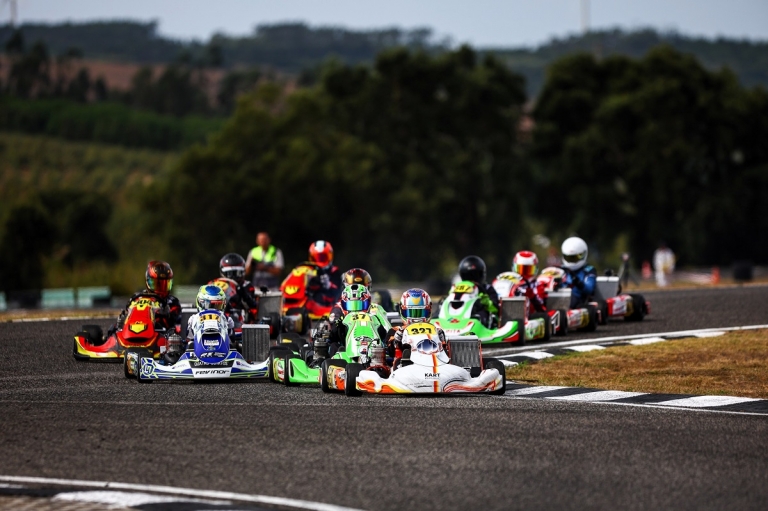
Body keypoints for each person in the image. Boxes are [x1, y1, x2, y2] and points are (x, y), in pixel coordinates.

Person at [108, 261, 182, 338]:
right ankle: (111, 338)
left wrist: (164, 314)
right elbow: (128, 310)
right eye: (157, 284)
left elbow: (173, 323)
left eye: (165, 284)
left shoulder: (172, 302)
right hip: (134, 328)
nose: (161, 288)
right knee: (113, 327)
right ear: (148, 281)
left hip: (160, 336)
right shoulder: (137, 298)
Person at [386, 289, 447, 369]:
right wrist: (396, 340)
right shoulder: (395, 331)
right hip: (405, 367)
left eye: (421, 313)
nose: (416, 318)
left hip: (434, 364)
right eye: (411, 313)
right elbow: (390, 352)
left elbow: (444, 351)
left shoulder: (435, 330)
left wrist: (441, 339)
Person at [212, 253, 260, 323]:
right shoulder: (214, 283)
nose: (233, 277)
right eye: (229, 273)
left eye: (236, 273)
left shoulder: (246, 285)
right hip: (215, 313)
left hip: (236, 316)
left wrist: (241, 293)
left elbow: (252, 305)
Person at [458, 255, 499, 328]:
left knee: (481, 314)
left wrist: (485, 302)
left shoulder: (487, 288)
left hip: (478, 314)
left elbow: (495, 308)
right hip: (460, 312)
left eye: (475, 275)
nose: (472, 280)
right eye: (468, 276)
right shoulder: (457, 287)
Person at [559, 237, 597, 308]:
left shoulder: (588, 270)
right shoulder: (561, 270)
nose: (572, 261)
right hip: (558, 297)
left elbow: (589, 289)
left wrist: (578, 282)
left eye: (575, 258)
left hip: (577, 300)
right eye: (569, 258)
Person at [306, 240, 343, 307]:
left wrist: (329, 285)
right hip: (308, 305)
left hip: (327, 306)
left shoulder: (334, 271)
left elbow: (338, 291)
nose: (319, 261)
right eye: (316, 258)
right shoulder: (307, 271)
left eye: (322, 257)